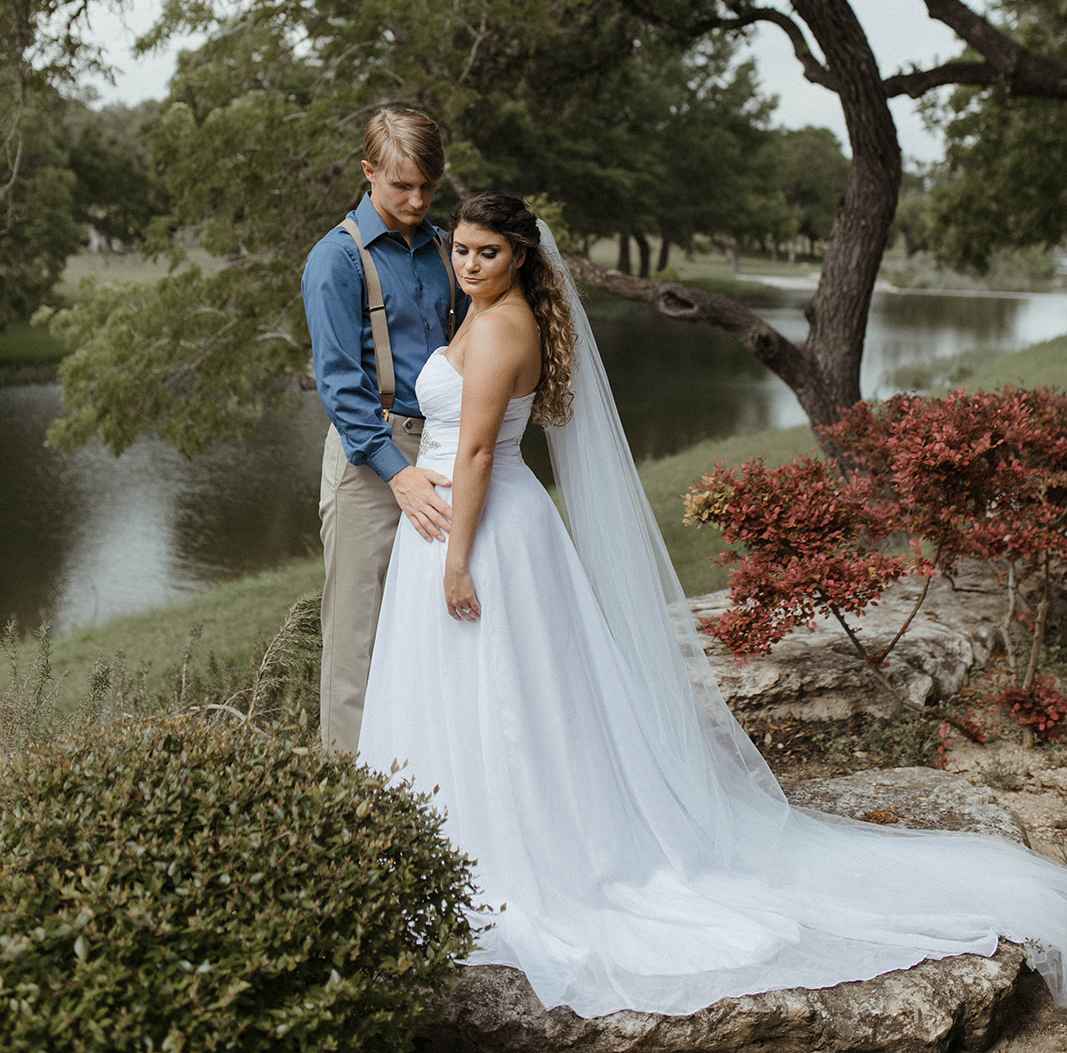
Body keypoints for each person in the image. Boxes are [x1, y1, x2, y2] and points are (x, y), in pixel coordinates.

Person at [358, 191, 1067, 1020]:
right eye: (460, 250)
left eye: (487, 252)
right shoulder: (484, 314)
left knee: (510, 694)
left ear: (519, 255)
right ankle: (458, 837)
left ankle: (519, 851)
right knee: (468, 691)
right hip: (462, 517)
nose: (469, 264)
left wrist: (456, 559)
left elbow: (478, 449)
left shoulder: (502, 326)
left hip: (483, 531)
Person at [301, 107, 466, 755]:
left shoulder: (448, 250)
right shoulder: (336, 258)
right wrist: (397, 474)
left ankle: (427, 779)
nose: (417, 201)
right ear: (369, 172)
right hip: (371, 459)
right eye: (402, 186)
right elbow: (340, 385)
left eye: (428, 186)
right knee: (356, 637)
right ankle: (347, 792)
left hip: (445, 450)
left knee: (440, 621)